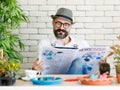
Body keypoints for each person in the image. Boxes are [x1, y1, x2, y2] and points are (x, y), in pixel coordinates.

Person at [32, 8, 104, 74]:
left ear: (70, 26)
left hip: (74, 83)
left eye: (66, 24)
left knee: (79, 62)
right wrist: (35, 69)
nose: (61, 27)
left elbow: (90, 70)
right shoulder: (45, 43)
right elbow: (38, 70)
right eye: (58, 23)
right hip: (52, 81)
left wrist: (99, 64)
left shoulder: (82, 44)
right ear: (53, 23)